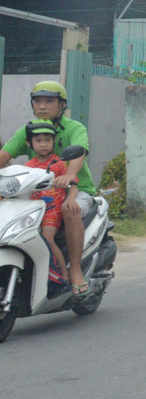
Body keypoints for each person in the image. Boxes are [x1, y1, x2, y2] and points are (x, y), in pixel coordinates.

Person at [0, 81, 94, 294]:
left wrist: (69, 174)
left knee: (70, 210)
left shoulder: (74, 128)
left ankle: (76, 270)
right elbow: (5, 155)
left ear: (62, 105)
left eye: (49, 101)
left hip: (76, 190)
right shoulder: (29, 130)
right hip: (38, 193)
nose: (42, 106)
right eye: (38, 101)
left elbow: (79, 153)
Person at [21, 120, 74, 289]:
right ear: (29, 143)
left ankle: (65, 276)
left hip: (52, 209)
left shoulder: (59, 164)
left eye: (47, 140)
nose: (43, 144)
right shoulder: (27, 166)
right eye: (38, 141)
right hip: (32, 210)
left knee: (47, 239)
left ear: (53, 142)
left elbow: (73, 186)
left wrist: (71, 199)